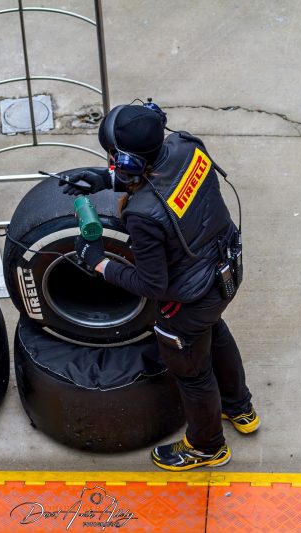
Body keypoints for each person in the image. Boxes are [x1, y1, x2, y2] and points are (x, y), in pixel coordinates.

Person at [59, 102, 259, 470]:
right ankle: (240, 408)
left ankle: (207, 447)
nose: (110, 162)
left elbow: (153, 283)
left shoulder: (142, 215)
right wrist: (106, 180)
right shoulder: (187, 145)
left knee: (194, 374)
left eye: (113, 159)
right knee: (214, 331)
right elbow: (168, 177)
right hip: (224, 270)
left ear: (128, 161)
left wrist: (98, 263)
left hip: (188, 301)